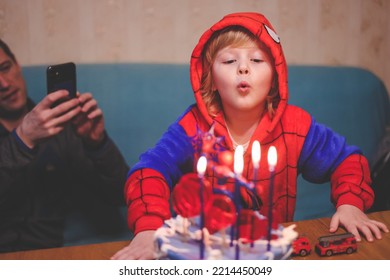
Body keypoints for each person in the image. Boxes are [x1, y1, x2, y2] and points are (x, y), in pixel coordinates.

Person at [112, 12, 389, 260]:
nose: (243, 68)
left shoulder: (295, 126)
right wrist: (149, 228)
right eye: (230, 60)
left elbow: (347, 160)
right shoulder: (193, 126)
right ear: (209, 80)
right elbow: (147, 171)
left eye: (257, 59)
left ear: (275, 77)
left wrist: (350, 203)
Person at [0, 39, 129, 252]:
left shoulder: (59, 127)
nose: (4, 84)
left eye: (5, 68)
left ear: (17, 65)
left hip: (49, 255)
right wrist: (23, 138)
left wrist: (96, 143)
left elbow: (120, 194)